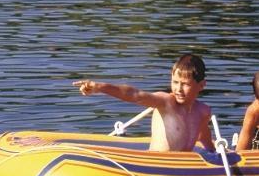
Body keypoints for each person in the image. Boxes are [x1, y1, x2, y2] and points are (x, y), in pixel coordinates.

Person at [74, 53, 213, 153]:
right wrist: (99, 87)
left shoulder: (203, 111)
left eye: (185, 84)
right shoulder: (165, 102)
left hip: (183, 167)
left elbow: (204, 137)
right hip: (157, 164)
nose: (178, 89)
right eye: (175, 82)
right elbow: (134, 95)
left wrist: (216, 155)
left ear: (201, 85)